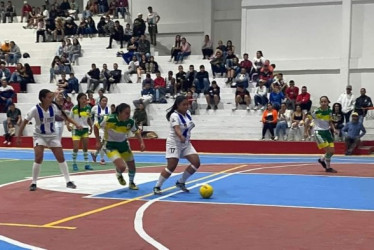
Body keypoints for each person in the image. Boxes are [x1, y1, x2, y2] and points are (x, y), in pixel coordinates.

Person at [16, 89, 79, 191]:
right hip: (39, 136)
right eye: (49, 97)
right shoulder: (34, 109)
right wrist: (19, 137)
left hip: (52, 136)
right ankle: (34, 182)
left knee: (61, 157)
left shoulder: (54, 107)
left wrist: (76, 124)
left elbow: (65, 117)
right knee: (38, 157)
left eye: (51, 97)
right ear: (43, 99)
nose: (52, 99)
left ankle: (68, 181)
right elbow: (24, 122)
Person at [153, 96, 200, 195]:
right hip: (174, 143)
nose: (186, 106)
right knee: (172, 166)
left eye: (187, 104)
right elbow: (177, 128)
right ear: (178, 105)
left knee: (196, 162)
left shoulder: (188, 114)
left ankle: (181, 182)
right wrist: (180, 136)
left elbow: (187, 126)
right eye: (184, 105)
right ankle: (157, 186)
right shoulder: (174, 116)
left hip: (186, 143)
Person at [94, 103, 145, 189]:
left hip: (123, 145)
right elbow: (95, 126)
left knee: (132, 165)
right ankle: (119, 173)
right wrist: (98, 141)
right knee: (122, 167)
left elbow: (136, 132)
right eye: (126, 113)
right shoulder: (108, 119)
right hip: (110, 146)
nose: (128, 115)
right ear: (119, 112)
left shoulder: (130, 122)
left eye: (129, 113)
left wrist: (142, 142)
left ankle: (131, 183)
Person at [66, 93, 93, 171]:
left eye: (85, 98)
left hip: (85, 130)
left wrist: (91, 127)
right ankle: (74, 163)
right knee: (76, 148)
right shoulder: (74, 108)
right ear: (78, 99)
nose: (84, 100)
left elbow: (88, 119)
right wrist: (68, 125)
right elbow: (69, 118)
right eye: (82, 98)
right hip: (76, 130)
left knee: (85, 148)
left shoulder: (88, 108)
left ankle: (87, 164)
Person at [313, 96, 338, 173]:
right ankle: (328, 168)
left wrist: (334, 129)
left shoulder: (329, 111)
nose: (323, 103)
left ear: (328, 102)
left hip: (327, 132)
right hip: (319, 132)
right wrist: (306, 131)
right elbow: (308, 119)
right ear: (320, 103)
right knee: (329, 150)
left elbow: (330, 121)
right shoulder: (316, 112)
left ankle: (321, 159)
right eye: (322, 102)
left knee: (332, 151)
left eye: (325, 101)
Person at [91, 95, 110, 165]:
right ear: (100, 101)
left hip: (105, 128)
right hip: (98, 128)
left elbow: (109, 119)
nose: (104, 102)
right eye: (103, 101)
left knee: (103, 143)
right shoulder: (95, 108)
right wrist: (92, 124)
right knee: (102, 142)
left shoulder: (108, 109)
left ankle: (95, 154)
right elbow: (90, 116)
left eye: (106, 101)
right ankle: (102, 159)